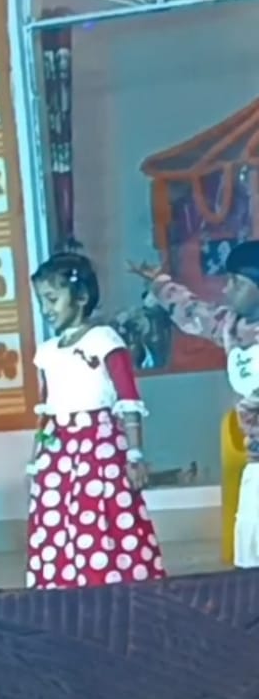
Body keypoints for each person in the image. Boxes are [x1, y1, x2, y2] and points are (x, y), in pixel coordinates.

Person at [29, 249, 164, 589]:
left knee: (101, 517)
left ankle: (110, 587)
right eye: (41, 300)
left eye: (52, 299)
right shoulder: (46, 352)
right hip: (59, 451)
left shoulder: (104, 340)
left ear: (81, 297)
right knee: (59, 520)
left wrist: (135, 454)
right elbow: (46, 409)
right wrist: (38, 452)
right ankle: (65, 590)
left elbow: (128, 399)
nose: (46, 309)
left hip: (98, 447)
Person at [130, 242, 259, 568]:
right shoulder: (231, 326)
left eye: (237, 282)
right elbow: (192, 311)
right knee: (250, 552)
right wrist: (159, 283)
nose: (226, 290)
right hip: (256, 464)